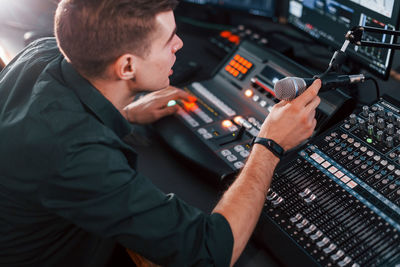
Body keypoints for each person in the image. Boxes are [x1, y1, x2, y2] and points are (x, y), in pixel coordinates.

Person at [0, 0, 321, 266]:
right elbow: (210, 252)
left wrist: (125, 112)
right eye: (168, 40)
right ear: (126, 67)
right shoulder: (76, 155)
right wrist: (268, 145)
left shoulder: (41, 53)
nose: (179, 44)